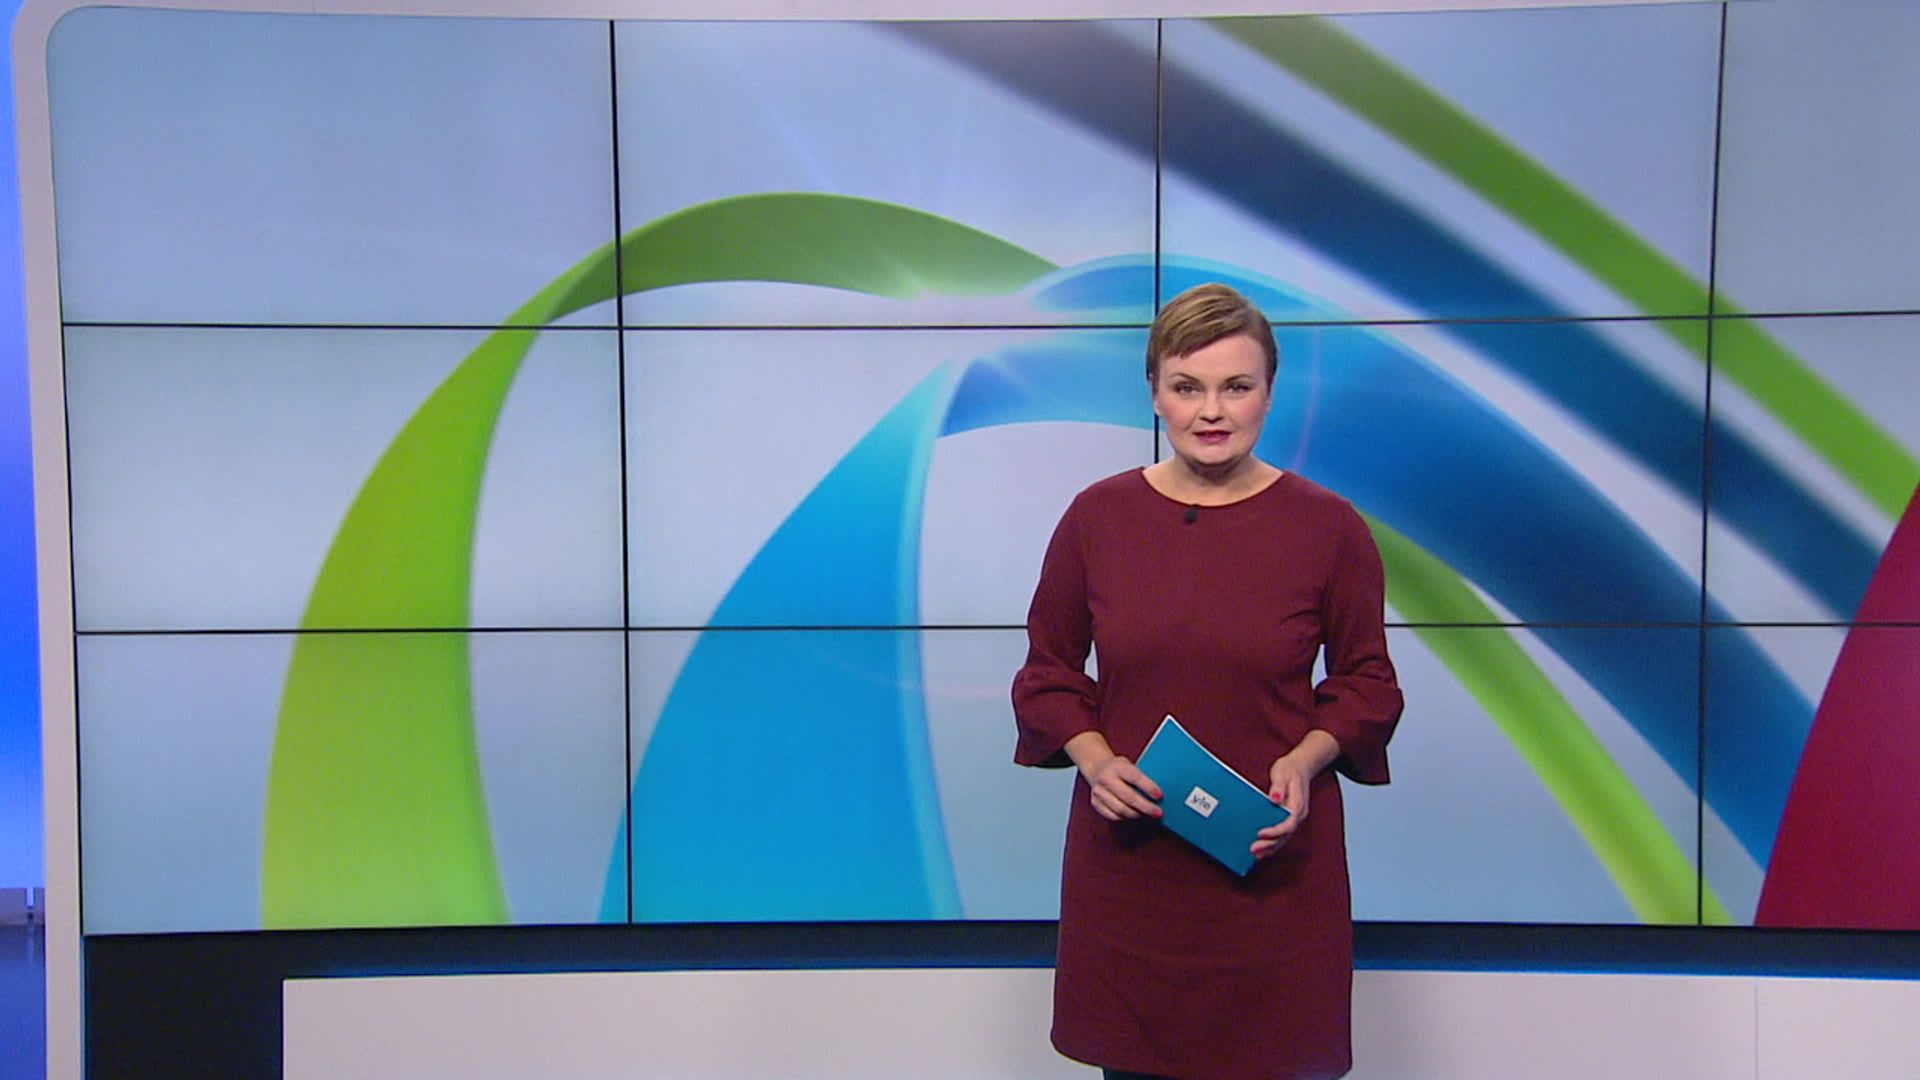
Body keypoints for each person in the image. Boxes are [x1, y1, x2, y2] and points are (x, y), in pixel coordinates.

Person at [1011, 282, 1404, 1080]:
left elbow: (1368, 682)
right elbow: (1048, 671)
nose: (1212, 411)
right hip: (1133, 874)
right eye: (1188, 387)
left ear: (1269, 393)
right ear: (1154, 392)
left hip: (1271, 870)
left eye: (1236, 386)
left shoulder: (1329, 528)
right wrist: (1094, 758)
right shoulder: (1097, 518)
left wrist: (1306, 760)